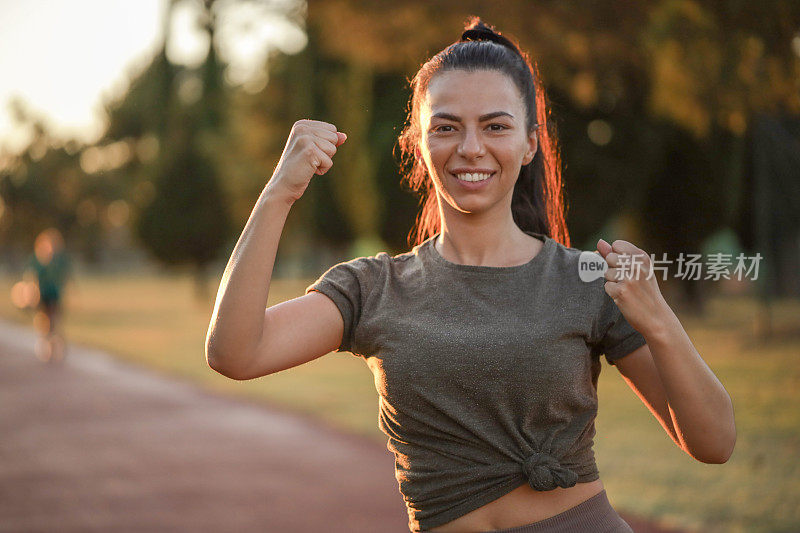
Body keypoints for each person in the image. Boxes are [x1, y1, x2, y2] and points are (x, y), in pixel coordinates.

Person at [206, 17, 736, 533]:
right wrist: (279, 192)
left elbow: (714, 443)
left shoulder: (587, 280)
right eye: (447, 127)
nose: (471, 148)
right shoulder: (373, 288)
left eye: (495, 126)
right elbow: (236, 353)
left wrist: (661, 322)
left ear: (530, 143)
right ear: (419, 142)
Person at [24, 228, 71, 363]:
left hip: (55, 295)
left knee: (55, 320)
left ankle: (56, 344)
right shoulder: (36, 259)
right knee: (44, 321)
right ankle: (45, 342)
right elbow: (30, 275)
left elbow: (65, 276)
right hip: (41, 295)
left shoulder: (59, 260)